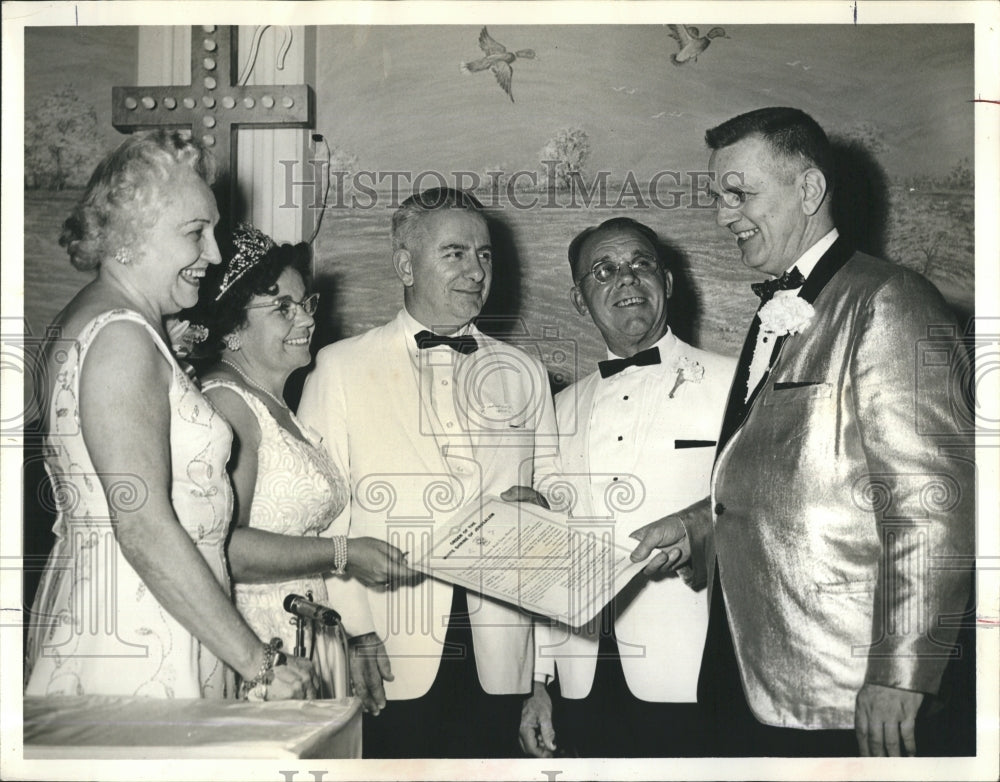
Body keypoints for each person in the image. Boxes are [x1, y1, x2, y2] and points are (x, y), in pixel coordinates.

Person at [631, 107, 975, 757]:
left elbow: (936, 507)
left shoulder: (889, 302)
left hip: (847, 694)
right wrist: (695, 525)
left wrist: (901, 671)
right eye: (717, 197)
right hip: (752, 670)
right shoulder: (777, 312)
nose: (723, 214)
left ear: (810, 190)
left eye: (740, 193)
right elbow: (795, 484)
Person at [24, 131, 317, 702]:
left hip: (140, 609)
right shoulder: (122, 337)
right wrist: (259, 663)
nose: (213, 253)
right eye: (196, 233)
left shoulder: (97, 317)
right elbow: (141, 524)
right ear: (132, 237)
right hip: (145, 630)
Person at [297, 187, 559, 758]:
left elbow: (548, 530)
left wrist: (540, 674)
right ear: (404, 264)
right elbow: (322, 516)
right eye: (455, 253)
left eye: (485, 254)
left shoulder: (526, 373)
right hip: (387, 648)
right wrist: (354, 632)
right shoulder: (339, 368)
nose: (475, 270)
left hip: (500, 654)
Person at [518, 218, 736, 758]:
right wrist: (540, 681)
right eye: (605, 270)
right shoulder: (558, 409)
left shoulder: (736, 384)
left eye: (641, 264)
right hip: (582, 679)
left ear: (668, 280)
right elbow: (549, 551)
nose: (627, 279)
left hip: (698, 673)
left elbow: (764, 512)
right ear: (579, 299)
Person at [180, 224, 413, 704]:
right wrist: (343, 553)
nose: (306, 320)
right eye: (282, 308)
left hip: (304, 633)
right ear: (231, 328)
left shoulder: (278, 405)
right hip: (259, 643)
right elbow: (225, 548)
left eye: (306, 303)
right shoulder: (228, 404)